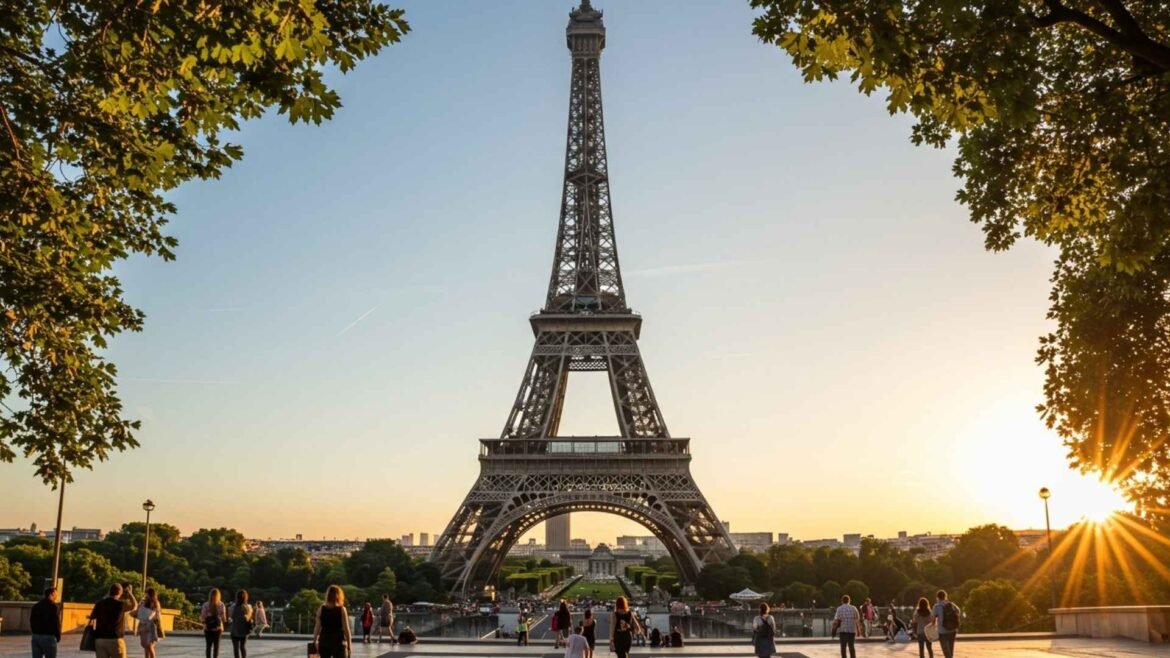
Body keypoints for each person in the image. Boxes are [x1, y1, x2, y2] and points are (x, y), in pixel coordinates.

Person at [89, 583, 138, 658]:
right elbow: (134, 606)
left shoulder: (99, 604)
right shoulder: (121, 604)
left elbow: (91, 618)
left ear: (109, 591)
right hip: (115, 640)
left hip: (100, 640)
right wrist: (130, 593)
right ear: (120, 592)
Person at [312, 585, 351, 658]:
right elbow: (346, 629)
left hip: (324, 640)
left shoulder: (321, 609)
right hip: (338, 641)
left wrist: (314, 641)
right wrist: (349, 646)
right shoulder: (342, 610)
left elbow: (317, 628)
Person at [30, 586, 62, 658]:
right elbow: (56, 622)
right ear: (51, 594)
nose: (56, 596)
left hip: (36, 636)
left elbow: (32, 621)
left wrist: (34, 632)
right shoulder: (53, 607)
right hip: (49, 636)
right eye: (56, 594)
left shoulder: (36, 606)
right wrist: (58, 636)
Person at [931, 590, 961, 658]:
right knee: (951, 649)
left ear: (937, 597)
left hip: (942, 631)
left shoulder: (936, 606)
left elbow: (933, 619)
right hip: (952, 630)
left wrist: (932, 626)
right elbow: (958, 611)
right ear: (945, 596)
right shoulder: (951, 604)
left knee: (946, 651)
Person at [135, 588, 164, 658]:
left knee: (150, 645)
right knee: (145, 645)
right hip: (144, 625)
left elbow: (154, 612)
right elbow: (139, 610)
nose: (145, 595)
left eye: (146, 593)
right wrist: (141, 602)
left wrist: (150, 616)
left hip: (151, 626)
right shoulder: (144, 602)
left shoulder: (155, 602)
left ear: (150, 594)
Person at [831, 594, 861, 658]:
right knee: (851, 647)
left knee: (843, 647)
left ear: (842, 601)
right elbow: (857, 619)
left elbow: (836, 621)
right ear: (849, 600)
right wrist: (858, 630)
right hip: (851, 630)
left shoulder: (839, 609)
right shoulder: (853, 608)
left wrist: (833, 630)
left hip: (842, 631)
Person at [201, 588, 227, 658]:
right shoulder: (221, 605)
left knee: (208, 646)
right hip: (218, 629)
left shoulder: (205, 605)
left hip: (207, 628)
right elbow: (224, 618)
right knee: (216, 647)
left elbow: (203, 617)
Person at [228, 590, 253, 658]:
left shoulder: (232, 607)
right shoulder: (248, 607)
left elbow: (230, 616)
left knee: (236, 649)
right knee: (243, 647)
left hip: (234, 629)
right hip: (244, 630)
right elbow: (248, 618)